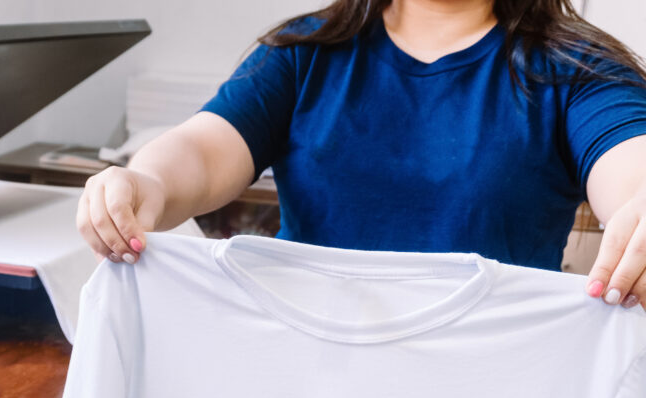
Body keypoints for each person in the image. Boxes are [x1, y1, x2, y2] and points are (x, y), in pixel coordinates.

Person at [76, 0, 646, 308]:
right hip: (305, 383)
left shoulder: (576, 69)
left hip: (489, 396)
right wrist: (144, 181)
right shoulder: (304, 54)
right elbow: (204, 149)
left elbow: (630, 164)